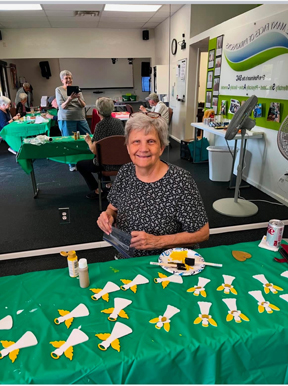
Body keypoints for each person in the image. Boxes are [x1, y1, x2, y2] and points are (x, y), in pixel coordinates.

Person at [97, 111, 209, 259]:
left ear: (161, 148)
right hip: (128, 258)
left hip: (169, 262)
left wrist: (158, 242)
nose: (143, 149)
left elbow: (202, 233)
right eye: (136, 142)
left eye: (151, 141)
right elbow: (113, 208)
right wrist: (107, 217)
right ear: (128, 148)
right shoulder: (125, 172)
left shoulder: (180, 181)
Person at [77, 97, 124, 199]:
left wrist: (88, 140)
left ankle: (97, 190)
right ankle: (109, 184)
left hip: (105, 164)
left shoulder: (100, 126)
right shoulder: (119, 123)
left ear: (98, 112)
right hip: (121, 161)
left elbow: (94, 149)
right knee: (105, 153)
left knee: (80, 165)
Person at [55, 70, 91, 171]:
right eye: (66, 78)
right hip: (66, 119)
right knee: (69, 141)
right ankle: (72, 165)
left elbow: (83, 105)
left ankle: (89, 159)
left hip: (80, 117)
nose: (68, 80)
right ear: (62, 80)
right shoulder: (58, 90)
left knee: (88, 137)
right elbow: (62, 106)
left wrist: (79, 98)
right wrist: (70, 99)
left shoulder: (77, 89)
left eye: (70, 78)